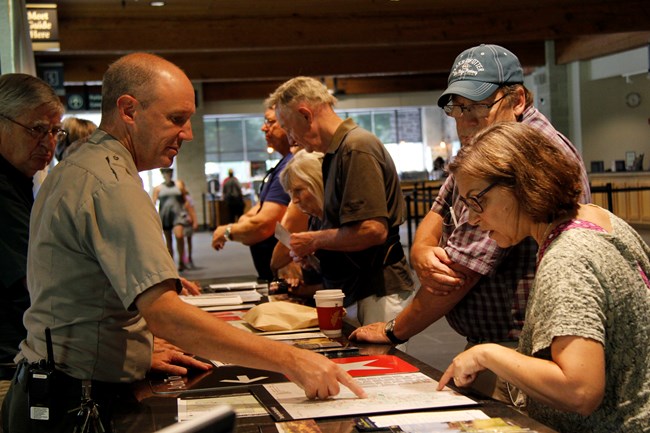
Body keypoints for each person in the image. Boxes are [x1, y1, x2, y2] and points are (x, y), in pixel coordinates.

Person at [1, 53, 364, 433]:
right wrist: (292, 359)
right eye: (176, 119)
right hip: (76, 404)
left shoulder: (80, 166)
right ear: (128, 110)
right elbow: (166, 314)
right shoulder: (111, 183)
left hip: (54, 388)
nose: (188, 133)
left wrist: (134, 346)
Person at [350, 44, 591, 401]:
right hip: (500, 348)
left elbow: (459, 270)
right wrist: (420, 247)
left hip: (523, 354)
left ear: (518, 99)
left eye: (478, 105)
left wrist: (394, 330)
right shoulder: (489, 141)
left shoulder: (517, 154)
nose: (466, 120)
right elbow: (443, 201)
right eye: (458, 108)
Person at [437, 122, 650, 432]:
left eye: (475, 201)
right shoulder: (597, 218)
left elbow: (580, 390)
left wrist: (487, 353)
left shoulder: (568, 258)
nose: (471, 217)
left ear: (519, 185)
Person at [267, 76, 415, 325]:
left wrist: (314, 239)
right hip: (357, 290)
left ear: (306, 114)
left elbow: (372, 231)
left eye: (289, 128)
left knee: (380, 363)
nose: (291, 139)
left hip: (376, 290)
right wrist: (316, 252)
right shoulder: (336, 153)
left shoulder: (356, 148)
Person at [0, 73, 65, 393]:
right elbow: (41, 282)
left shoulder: (20, 182)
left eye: (55, 131)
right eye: (37, 129)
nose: (49, 141)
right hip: (8, 369)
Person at [211, 105, 293, 281]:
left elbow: (262, 226)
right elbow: (256, 214)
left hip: (286, 274)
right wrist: (243, 226)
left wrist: (228, 231)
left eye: (270, 122)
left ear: (290, 123)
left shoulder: (292, 166)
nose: (264, 127)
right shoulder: (283, 165)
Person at [273, 149, 325, 298]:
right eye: (291, 193)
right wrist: (309, 263)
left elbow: (346, 278)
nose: (295, 200)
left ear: (317, 182)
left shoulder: (340, 217)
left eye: (299, 191)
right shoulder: (315, 218)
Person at [152, 167, 190, 271]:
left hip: (178, 215)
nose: (168, 175)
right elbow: (153, 202)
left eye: (170, 172)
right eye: (166, 173)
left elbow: (186, 200)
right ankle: (171, 263)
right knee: (168, 241)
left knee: (179, 236)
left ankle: (182, 261)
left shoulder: (179, 185)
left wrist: (188, 213)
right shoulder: (158, 188)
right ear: (162, 174)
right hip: (165, 216)